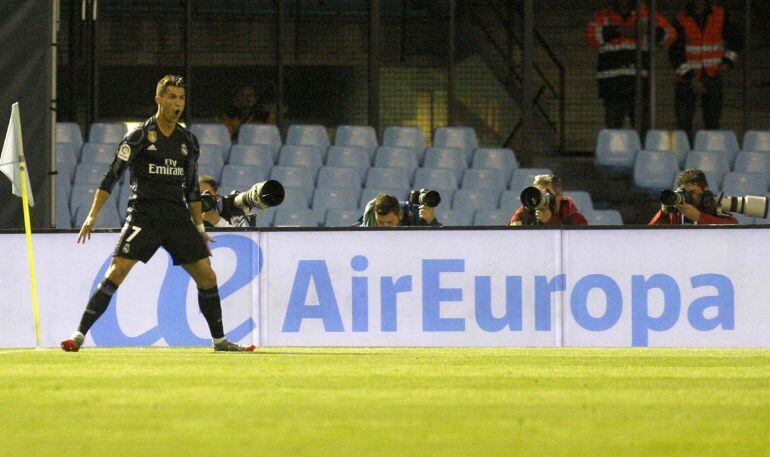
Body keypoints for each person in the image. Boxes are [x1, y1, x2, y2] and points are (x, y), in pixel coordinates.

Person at [60, 75, 256, 352]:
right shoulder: (139, 135)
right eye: (172, 97)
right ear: (159, 100)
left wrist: (200, 229)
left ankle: (220, 341)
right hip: (144, 214)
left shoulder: (188, 140)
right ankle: (78, 335)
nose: (177, 104)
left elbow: (190, 189)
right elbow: (111, 176)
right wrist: (92, 216)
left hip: (177, 217)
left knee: (207, 276)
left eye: (181, 98)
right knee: (117, 271)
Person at [586, 0, 677, 130]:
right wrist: (618, 31)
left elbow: (671, 36)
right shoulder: (603, 16)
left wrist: (649, 30)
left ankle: (642, 150)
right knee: (613, 130)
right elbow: (591, 37)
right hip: (612, 84)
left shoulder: (648, 15)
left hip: (640, 82)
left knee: (642, 129)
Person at [669, 0, 744, 142]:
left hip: (712, 75)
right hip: (687, 80)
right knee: (684, 124)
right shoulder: (680, 18)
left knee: (712, 123)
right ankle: (687, 159)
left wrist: (727, 62)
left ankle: (709, 157)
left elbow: (737, 40)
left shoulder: (720, 15)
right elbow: (675, 53)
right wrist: (691, 79)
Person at [649, 168, 738, 225]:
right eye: (684, 192)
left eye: (692, 192)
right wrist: (663, 214)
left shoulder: (714, 209)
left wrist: (699, 217)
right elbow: (650, 235)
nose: (688, 196)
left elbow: (734, 228)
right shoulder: (676, 212)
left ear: (706, 190)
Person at [509, 174, 587, 226]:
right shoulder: (524, 214)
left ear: (559, 195)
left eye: (546, 192)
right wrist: (520, 219)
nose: (540, 196)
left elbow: (575, 245)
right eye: (538, 192)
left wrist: (550, 221)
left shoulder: (576, 219)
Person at [355, 193, 441, 227]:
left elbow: (440, 240)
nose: (385, 227)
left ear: (400, 214)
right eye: (380, 222)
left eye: (390, 222)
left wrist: (431, 222)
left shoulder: (414, 214)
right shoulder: (370, 218)